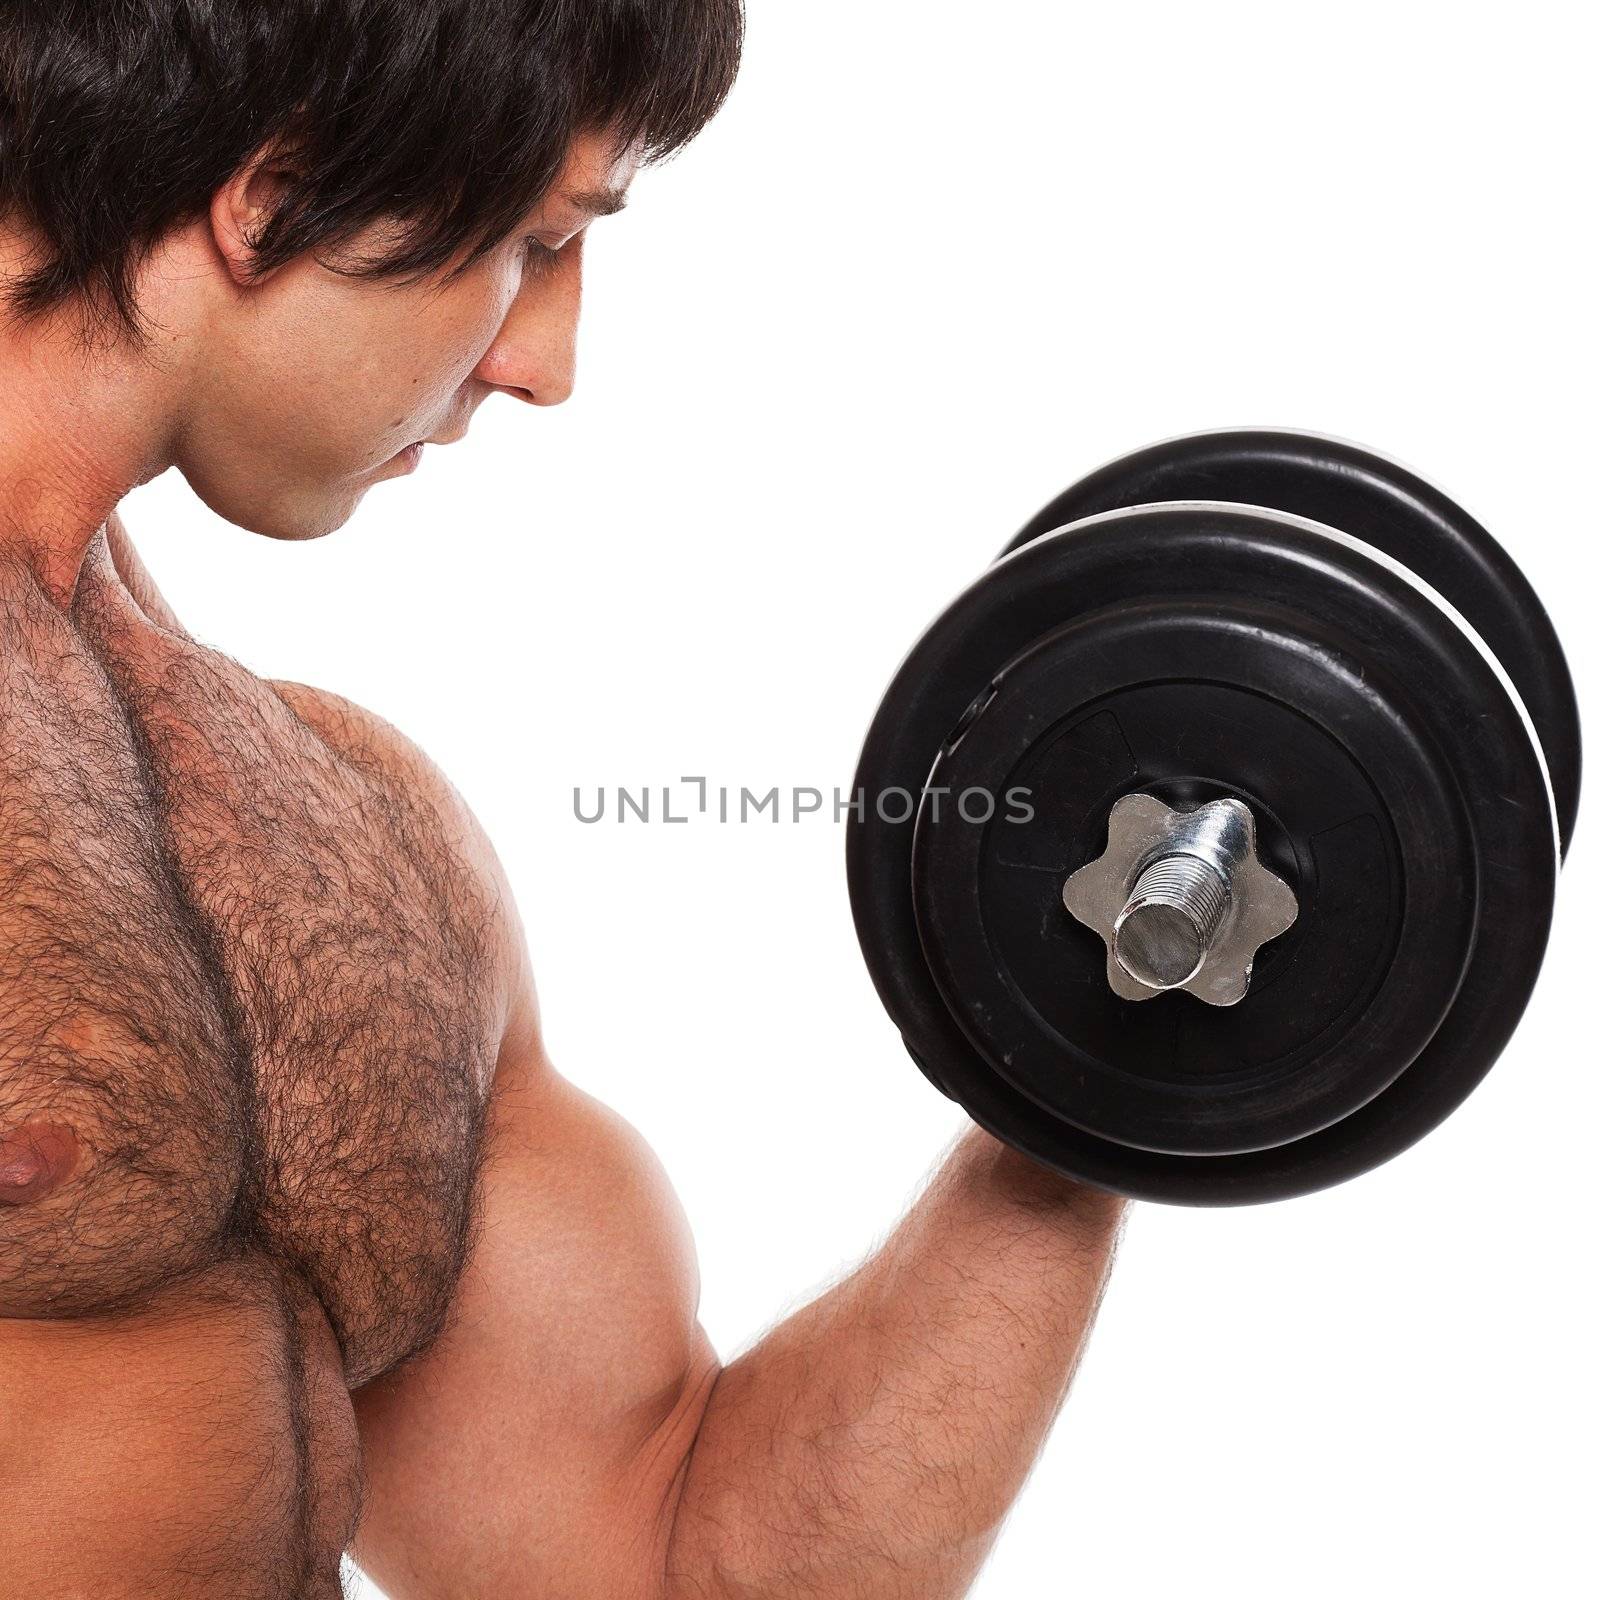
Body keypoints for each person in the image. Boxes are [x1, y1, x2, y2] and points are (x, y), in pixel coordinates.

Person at [0, 4, 1125, 1595]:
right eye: (535, 245)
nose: (545, 368)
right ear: (272, 196)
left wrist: (1096, 1075)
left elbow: (664, 1557)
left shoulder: (341, 838)